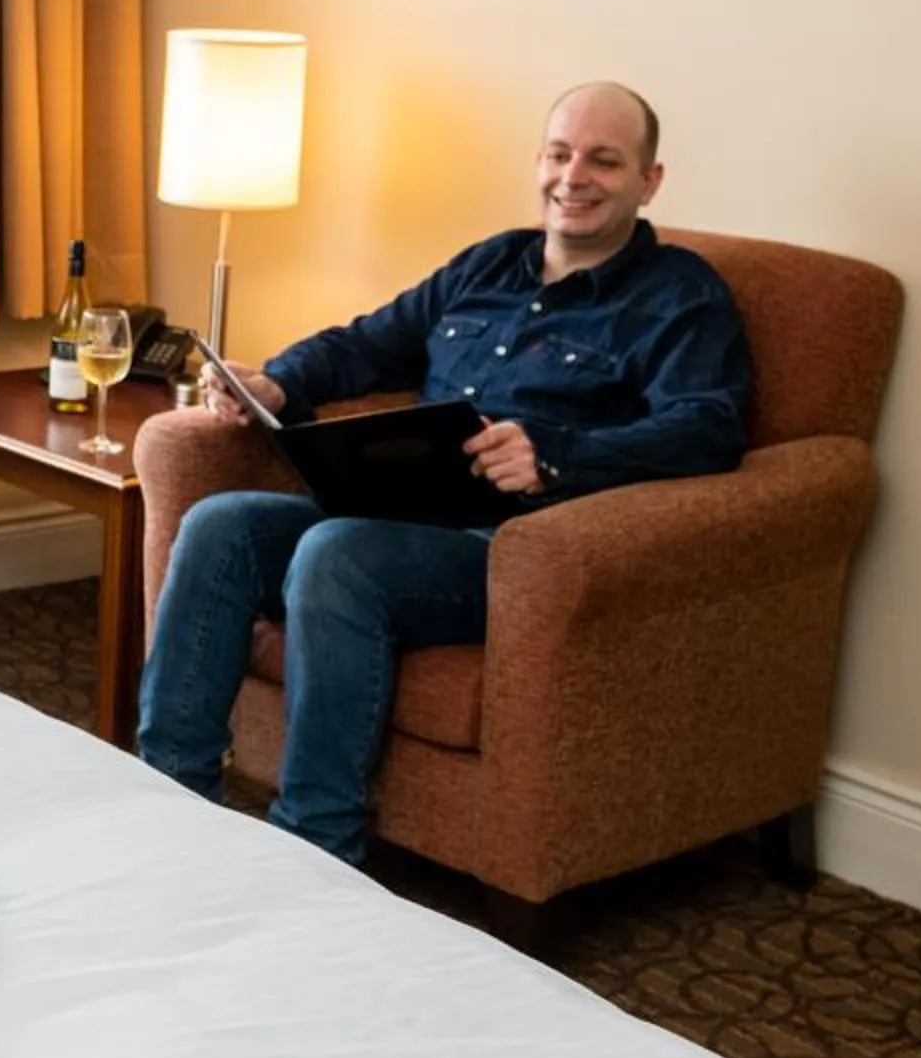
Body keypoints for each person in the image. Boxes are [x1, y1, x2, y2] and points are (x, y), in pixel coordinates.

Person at [134, 82, 749, 864]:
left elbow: (708, 428)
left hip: (512, 550)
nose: (574, 177)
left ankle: (316, 847)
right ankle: (170, 803)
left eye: (603, 160)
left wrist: (555, 454)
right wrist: (279, 383)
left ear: (648, 181)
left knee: (335, 553)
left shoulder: (680, 297)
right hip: (396, 515)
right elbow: (368, 343)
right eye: (560, 154)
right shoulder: (490, 263)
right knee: (221, 525)